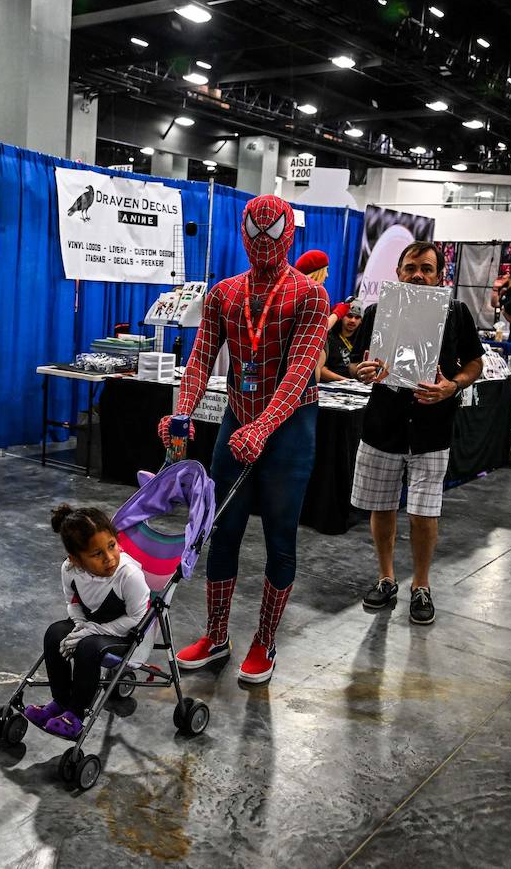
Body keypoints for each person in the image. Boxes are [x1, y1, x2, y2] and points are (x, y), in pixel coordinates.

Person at [159, 195, 336, 684]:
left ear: (290, 235)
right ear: (241, 234)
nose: (264, 244)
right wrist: (180, 413)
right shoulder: (223, 294)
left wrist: (262, 427)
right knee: (220, 530)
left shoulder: (311, 296)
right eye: (255, 234)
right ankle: (217, 635)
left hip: (289, 428)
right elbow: (199, 360)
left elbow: (301, 370)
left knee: (281, 535)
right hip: (238, 418)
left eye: (273, 233)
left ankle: (266, 641)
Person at [350, 241, 484, 625]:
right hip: (383, 424)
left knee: (424, 513)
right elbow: (360, 364)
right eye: (411, 268)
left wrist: (452, 386)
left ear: (440, 274)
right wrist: (361, 372)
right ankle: (386, 577)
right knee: (382, 505)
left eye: (427, 268)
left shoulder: (456, 313)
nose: (418, 275)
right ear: (397, 272)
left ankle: (421, 584)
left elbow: (474, 362)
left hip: (432, 427)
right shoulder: (377, 313)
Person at [24, 505, 149, 740]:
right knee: (55, 633)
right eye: (97, 554)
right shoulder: (70, 570)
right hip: (91, 626)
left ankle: (76, 714)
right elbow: (72, 602)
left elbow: (137, 618)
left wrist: (91, 631)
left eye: (112, 546)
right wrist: (80, 625)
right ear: (76, 560)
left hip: (128, 635)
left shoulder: (129, 575)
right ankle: (60, 702)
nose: (109, 558)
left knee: (87, 646)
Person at [320, 302, 363, 382]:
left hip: (356, 386)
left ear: (361, 321)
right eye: (349, 316)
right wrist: (346, 381)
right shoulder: (329, 337)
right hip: (331, 386)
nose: (353, 320)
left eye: (357, 317)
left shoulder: (362, 340)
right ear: (342, 317)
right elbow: (321, 370)